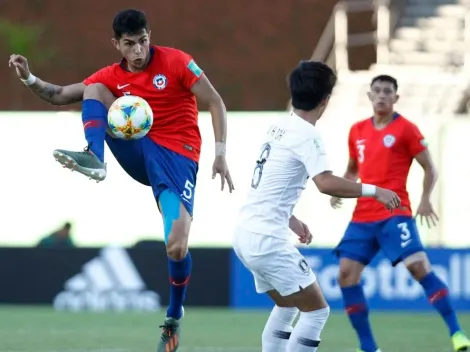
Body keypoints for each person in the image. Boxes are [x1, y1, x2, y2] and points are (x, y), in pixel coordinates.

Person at [9, 9, 234, 352]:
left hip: (177, 158)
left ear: (149, 36)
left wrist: (220, 152)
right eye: (130, 44)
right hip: (137, 150)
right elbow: (59, 95)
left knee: (176, 244)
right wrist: (28, 77)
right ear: (117, 44)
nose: (139, 51)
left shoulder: (177, 62)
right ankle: (95, 156)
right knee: (95, 89)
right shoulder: (112, 75)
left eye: (143, 41)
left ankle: (173, 318)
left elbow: (215, 101)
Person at [232, 61, 401, 352]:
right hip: (268, 242)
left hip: (246, 234)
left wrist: (291, 218)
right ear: (325, 100)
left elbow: (270, 183)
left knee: (287, 308)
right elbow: (325, 183)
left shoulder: (280, 125)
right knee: (317, 311)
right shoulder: (308, 135)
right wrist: (375, 191)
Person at [331, 74, 470, 352]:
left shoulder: (406, 129)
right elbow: (353, 168)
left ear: (396, 98)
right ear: (369, 96)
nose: (382, 96)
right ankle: (368, 347)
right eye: (377, 91)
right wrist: (340, 187)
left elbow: (429, 167)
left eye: (387, 92)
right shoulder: (357, 131)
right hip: (362, 217)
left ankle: (457, 334)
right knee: (346, 274)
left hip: (396, 213)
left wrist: (425, 200)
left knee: (418, 267)